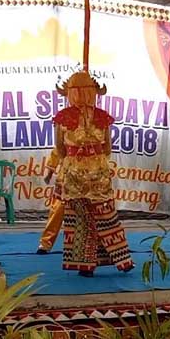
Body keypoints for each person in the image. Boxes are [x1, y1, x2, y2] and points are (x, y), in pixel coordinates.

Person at [53, 70, 134, 277]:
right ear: (94, 92)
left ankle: (84, 265)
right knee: (106, 215)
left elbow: (60, 149)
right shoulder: (102, 117)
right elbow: (107, 148)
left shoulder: (63, 117)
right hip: (98, 173)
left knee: (80, 218)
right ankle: (121, 260)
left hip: (73, 173)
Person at [37, 148, 64, 254]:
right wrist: (49, 174)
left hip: (85, 181)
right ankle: (45, 243)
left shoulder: (92, 137)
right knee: (57, 212)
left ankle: (83, 246)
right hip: (65, 181)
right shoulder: (66, 135)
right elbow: (56, 152)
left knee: (85, 216)